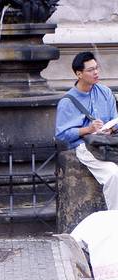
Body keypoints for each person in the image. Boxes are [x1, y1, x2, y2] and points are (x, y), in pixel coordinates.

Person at [56, 51, 118, 210]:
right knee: (113, 175)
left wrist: (110, 129)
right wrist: (88, 129)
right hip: (85, 147)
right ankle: (114, 221)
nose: (96, 72)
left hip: (108, 143)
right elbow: (61, 136)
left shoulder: (105, 92)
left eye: (96, 68)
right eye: (90, 70)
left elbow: (114, 119)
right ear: (79, 74)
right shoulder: (67, 102)